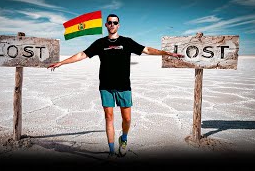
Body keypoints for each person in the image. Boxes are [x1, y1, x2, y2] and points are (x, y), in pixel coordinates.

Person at [47, 14, 184, 158]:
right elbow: (82, 54)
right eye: (109, 23)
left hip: (124, 86)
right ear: (106, 25)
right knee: (109, 117)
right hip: (106, 86)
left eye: (115, 22)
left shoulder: (127, 41)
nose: (112, 25)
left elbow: (147, 50)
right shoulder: (99, 43)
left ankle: (123, 139)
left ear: (118, 25)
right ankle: (111, 151)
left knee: (127, 119)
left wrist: (166, 53)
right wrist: (62, 62)